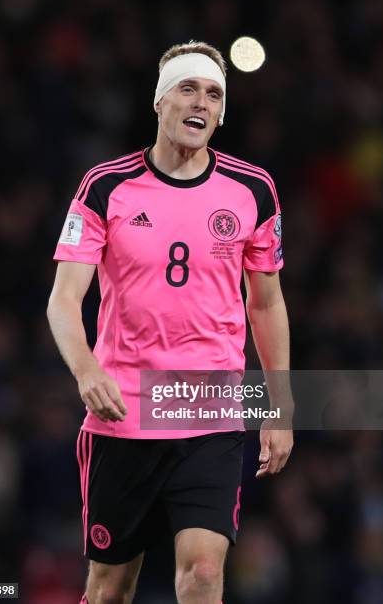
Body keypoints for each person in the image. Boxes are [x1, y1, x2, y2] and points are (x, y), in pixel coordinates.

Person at [47, 40, 293, 604]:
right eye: (187, 88)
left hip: (210, 410)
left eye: (213, 94)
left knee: (203, 573)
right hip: (124, 413)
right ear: (160, 103)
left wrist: (279, 405)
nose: (200, 102)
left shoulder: (253, 190)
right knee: (110, 588)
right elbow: (63, 301)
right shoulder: (105, 186)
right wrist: (86, 370)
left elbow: (267, 303)